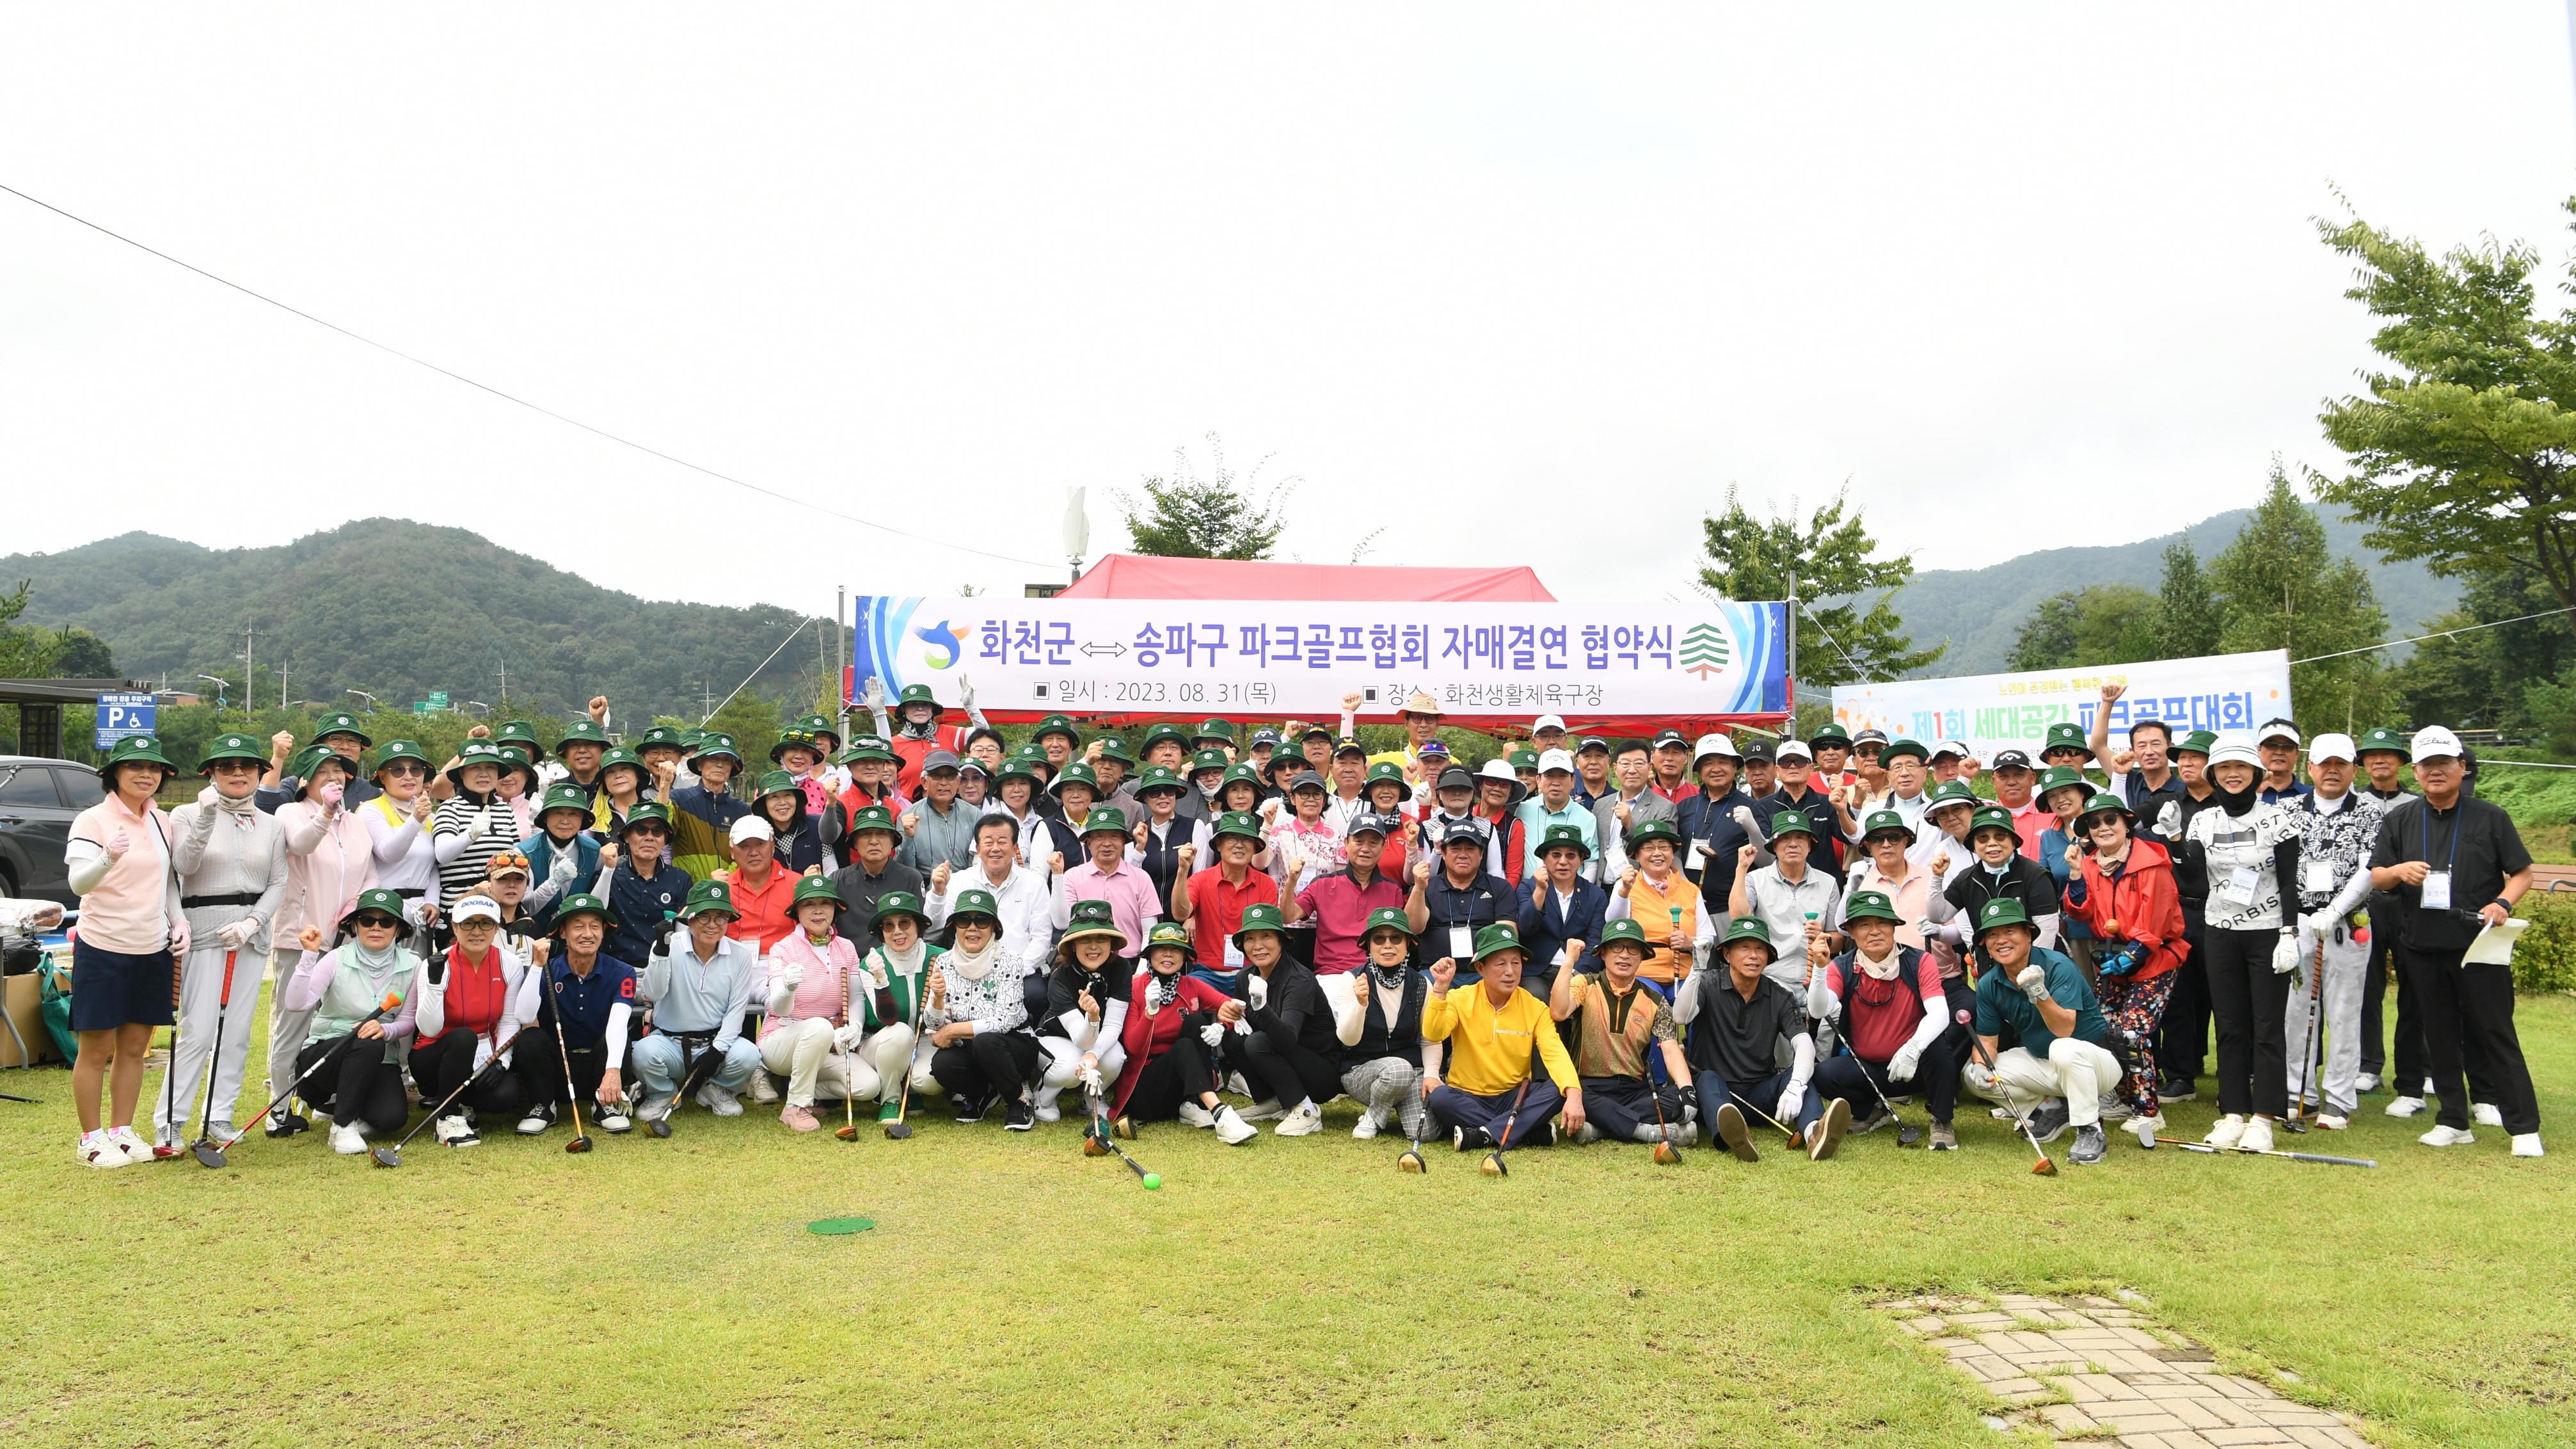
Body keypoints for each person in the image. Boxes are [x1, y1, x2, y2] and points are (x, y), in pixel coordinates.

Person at [2368, 726, 2541, 1155]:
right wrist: (2399, 872)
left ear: (2462, 768)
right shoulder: (2400, 819)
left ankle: (2523, 1128)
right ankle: (2453, 1120)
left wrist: (2503, 902)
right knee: (2440, 1035)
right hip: (2422, 945)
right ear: (2418, 771)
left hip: (2479, 945)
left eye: (2445, 763)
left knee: (2495, 1033)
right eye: (2427, 764)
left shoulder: (2490, 817)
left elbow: (2522, 873)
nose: (2436, 771)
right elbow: (2377, 875)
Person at [159, 732, 287, 1153]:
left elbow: (278, 881)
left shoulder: (271, 825)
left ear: (259, 772)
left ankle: (220, 1114)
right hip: (203, 931)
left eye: (246, 766)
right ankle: (171, 1121)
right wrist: (207, 817)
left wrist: (253, 922)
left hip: (249, 936)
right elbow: (184, 866)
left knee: (235, 1033)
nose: (237, 773)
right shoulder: (184, 814)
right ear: (211, 773)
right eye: (226, 766)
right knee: (197, 1031)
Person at [64, 736, 189, 1167]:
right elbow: (79, 884)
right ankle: (91, 1139)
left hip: (151, 948)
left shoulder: (162, 821)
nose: (146, 775)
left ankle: (121, 1131)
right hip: (103, 947)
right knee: (96, 1049)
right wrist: (106, 858)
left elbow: (168, 881)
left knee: (135, 1048)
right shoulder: (93, 820)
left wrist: (179, 921)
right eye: (135, 766)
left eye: (154, 769)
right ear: (113, 774)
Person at [2176, 732, 2303, 1155]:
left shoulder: (2280, 818)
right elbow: (2192, 880)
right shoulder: (2202, 820)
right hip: (2221, 930)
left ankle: (2264, 1117)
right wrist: (2175, 844)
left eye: (2241, 768)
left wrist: (2290, 932)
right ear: (2214, 775)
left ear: (2256, 773)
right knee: (2230, 1026)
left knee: (2267, 1027)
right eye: (2225, 768)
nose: (2233, 775)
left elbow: (2289, 880)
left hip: (2268, 931)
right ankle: (2232, 1114)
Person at [2058, 794, 2186, 1148]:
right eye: (2095, 824)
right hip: (2111, 959)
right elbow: (2080, 913)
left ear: (2127, 823)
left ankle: (2147, 1110)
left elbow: (2157, 921)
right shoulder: (2090, 864)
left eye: (2110, 820)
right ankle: (2121, 1099)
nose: (2103, 828)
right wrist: (2074, 874)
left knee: (2132, 1033)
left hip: (2155, 958)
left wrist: (2134, 954)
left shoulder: (2151, 863)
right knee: (2104, 1029)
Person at [265, 743, 378, 1140]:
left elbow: (369, 873)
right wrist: (327, 812)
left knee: (331, 1022)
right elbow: (300, 845)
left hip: (344, 937)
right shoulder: (289, 812)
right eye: (323, 771)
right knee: (292, 1021)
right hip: (302, 935)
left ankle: (321, 1097)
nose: (334, 777)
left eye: (340, 771)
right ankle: (278, 1106)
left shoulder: (356, 822)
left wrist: (358, 910)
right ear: (304, 780)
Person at [2277, 734, 2386, 1132]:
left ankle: (2339, 1099)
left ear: (2354, 769)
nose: (2332, 771)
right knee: (2295, 1012)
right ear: (2311, 768)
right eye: (2325, 764)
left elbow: (2370, 868)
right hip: (2299, 922)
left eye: (2341, 764)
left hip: (2347, 924)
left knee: (2342, 1013)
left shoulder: (2370, 812)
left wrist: (2336, 909)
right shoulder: (2287, 809)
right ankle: (2297, 1092)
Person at [1673, 918, 1845, 1162]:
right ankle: (1730, 1133)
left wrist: (1796, 1085)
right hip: (1712, 1093)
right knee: (1708, 1079)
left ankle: (1814, 1133)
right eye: (1744, 947)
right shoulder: (1707, 983)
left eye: (1760, 949)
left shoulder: (1779, 994)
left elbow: (1803, 1042)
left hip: (1758, 1092)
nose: (1753, 955)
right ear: (1727, 954)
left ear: (1768, 957)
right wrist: (1696, 971)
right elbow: (1681, 1015)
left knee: (1797, 1077)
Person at [1965, 898, 2122, 1165]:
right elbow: (1987, 1041)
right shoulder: (1990, 982)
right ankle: (2054, 1110)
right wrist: (1982, 1066)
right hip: (2045, 1063)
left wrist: (2038, 992)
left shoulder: (2057, 966)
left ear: (2028, 935)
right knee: (1972, 1073)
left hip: (2095, 1065)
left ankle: (2090, 1129)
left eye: (2010, 931)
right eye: (1992, 935)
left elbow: (2064, 1029)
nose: (2001, 940)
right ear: (1985, 945)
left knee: (2062, 1048)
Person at [1809, 890, 1960, 1149]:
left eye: (1882, 923)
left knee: (1939, 1048)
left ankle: (1942, 1119)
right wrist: (1821, 970)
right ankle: (1871, 1111)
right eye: (1865, 925)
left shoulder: (1920, 961)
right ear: (1852, 933)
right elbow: (1818, 1010)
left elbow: (1940, 1014)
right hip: (1868, 1068)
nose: (1875, 931)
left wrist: (1914, 1048)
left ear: (1894, 928)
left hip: (1915, 1064)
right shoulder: (1842, 966)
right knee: (1825, 1074)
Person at [282, 889, 427, 1155]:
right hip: (328, 1052)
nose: (376, 927)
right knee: (366, 1045)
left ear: (398, 929)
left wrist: (385, 1029)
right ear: (355, 925)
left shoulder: (414, 965)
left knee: (390, 1119)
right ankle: (342, 1124)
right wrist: (308, 957)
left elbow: (407, 1021)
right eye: (367, 920)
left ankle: (348, 1103)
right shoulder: (336, 958)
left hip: (381, 1055)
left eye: (386, 921)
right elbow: (295, 1003)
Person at [1420, 923, 1584, 1150]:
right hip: (1467, 1097)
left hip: (1514, 1097)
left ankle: (1484, 1134)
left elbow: (1555, 1053)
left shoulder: (1535, 1007)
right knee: (1440, 1097)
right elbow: (1434, 1033)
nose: (1510, 971)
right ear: (1480, 968)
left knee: (1559, 1089)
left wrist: (1575, 1094)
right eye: (1501, 964)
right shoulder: (1459, 998)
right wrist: (1440, 990)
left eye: (1516, 963)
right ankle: (1525, 1130)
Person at [408, 891, 536, 1147]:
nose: (477, 931)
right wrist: (435, 983)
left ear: (496, 927)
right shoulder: (435, 964)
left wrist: (502, 1061)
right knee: (463, 1038)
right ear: (455, 927)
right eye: (468, 923)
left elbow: (510, 1020)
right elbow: (429, 1028)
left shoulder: (509, 963)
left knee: (505, 1096)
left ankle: (464, 1105)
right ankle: (447, 1118)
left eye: (485, 923)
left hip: (484, 1054)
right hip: (433, 1056)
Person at [1110, 921, 1255, 1142]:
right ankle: (1221, 1113)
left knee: (1197, 1021)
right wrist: (1150, 1013)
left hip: (1183, 1085)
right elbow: (1133, 1047)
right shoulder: (1135, 987)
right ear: (1150, 954)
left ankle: (1193, 1106)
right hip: (1145, 1089)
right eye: (1161, 949)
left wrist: (1221, 1026)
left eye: (1176, 949)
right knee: (1184, 1046)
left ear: (1184, 956)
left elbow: (1230, 1007)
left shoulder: (1190, 985)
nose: (1168, 955)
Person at [1548, 919, 1688, 1146]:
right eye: (1616, 947)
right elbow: (1558, 1011)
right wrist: (1568, 962)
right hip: (1590, 1087)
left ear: (1642, 956)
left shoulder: (1655, 1000)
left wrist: (1687, 1090)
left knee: (1679, 1096)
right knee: (1572, 1095)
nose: (1625, 955)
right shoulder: (1584, 984)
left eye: (1633, 949)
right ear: (1602, 953)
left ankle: (1602, 1128)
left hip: (1635, 1089)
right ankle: (1644, 1132)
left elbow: (1671, 1049)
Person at [632, 880, 762, 1121]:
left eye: (720, 917)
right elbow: (654, 993)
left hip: (713, 1040)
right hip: (668, 1042)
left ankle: (715, 1088)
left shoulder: (740, 955)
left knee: (749, 1055)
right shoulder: (668, 946)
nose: (712, 925)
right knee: (642, 1053)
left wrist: (717, 1050)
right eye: (704, 917)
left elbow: (736, 1011)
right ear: (689, 919)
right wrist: (661, 952)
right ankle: (662, 1093)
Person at [1219, 902, 1351, 1135]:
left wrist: (1262, 1007)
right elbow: (1243, 1025)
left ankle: (1306, 1110)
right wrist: (1227, 1017)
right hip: (1284, 1061)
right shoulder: (1245, 977)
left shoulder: (1299, 980)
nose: (1257, 946)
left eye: (1266, 936)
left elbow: (1287, 1039)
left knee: (1258, 1042)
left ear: (1281, 940)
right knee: (1232, 1037)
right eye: (1250, 938)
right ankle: (1271, 1102)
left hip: (1320, 1073)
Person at [513, 890, 637, 1137]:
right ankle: (544, 1106)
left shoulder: (622, 972)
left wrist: (612, 1072)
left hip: (598, 1066)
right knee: (530, 1039)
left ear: (603, 932)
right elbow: (525, 1017)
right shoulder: (547, 970)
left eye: (594, 927)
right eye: (578, 926)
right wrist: (537, 966)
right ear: (563, 933)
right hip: (558, 1067)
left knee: (621, 1039)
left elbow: (618, 1022)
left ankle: (604, 1105)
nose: (587, 934)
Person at [922, 886, 1044, 1129]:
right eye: (964, 920)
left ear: (995, 928)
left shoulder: (1011, 961)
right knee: (942, 1066)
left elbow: (1004, 1020)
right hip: (970, 1045)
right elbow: (934, 1028)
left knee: (986, 1041)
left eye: (982, 920)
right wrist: (937, 1000)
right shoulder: (943, 962)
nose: (972, 928)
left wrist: (953, 1031)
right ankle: (982, 1094)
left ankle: (1019, 1100)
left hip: (1014, 1044)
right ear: (954, 927)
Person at [759, 877, 866, 1132]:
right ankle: (795, 1107)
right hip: (781, 1037)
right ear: (797, 911)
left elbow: (855, 997)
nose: (818, 910)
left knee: (867, 1085)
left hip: (828, 1043)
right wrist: (787, 989)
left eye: (825, 903)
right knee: (818, 1027)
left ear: (834, 909)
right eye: (809, 904)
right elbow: (779, 1007)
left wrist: (857, 1027)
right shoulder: (782, 948)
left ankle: (805, 1087)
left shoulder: (846, 948)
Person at [2151, 729, 2222, 1102]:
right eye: (2183, 757)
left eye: (2198, 757)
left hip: (2223, 911)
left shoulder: (2231, 805)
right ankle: (2180, 1075)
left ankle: (2237, 1073)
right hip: (2178, 912)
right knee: (2177, 996)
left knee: (2227, 997)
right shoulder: (2169, 804)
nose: (2188, 763)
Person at [1285, 810, 1406, 1019]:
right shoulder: (1324, 884)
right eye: (1359, 841)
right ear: (1346, 843)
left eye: (1374, 843)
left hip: (1377, 975)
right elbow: (1288, 916)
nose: (1365, 849)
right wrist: (1291, 882)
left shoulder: (1392, 890)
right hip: (1332, 976)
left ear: (1384, 847)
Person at [2352, 726, 2413, 1099]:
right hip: (2367, 907)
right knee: (2366, 988)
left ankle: (2419, 1068)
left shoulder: (2416, 802)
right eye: (2372, 756)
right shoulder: (2355, 802)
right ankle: (2368, 1064)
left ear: (2402, 762)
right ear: (2362, 764)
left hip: (2409, 906)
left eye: (2388, 755)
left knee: (2418, 988)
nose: (2379, 761)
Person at [1033, 899, 1134, 1123]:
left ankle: (1091, 1098)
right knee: (1068, 1068)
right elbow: (1081, 1040)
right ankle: (1043, 1098)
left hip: (1097, 1037)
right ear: (1073, 944)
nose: (1094, 946)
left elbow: (1115, 1024)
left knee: (1116, 1058)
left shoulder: (1121, 968)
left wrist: (1093, 1054)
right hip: (1055, 1036)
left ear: (1111, 943)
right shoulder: (1060, 975)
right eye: (1085, 939)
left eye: (1101, 938)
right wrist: (1093, 1018)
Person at [928, 814, 1058, 982]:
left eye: (1002, 842)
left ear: (1015, 848)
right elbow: (936, 928)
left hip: (1020, 971)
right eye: (988, 842)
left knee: (1036, 996)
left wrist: (1015, 970)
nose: (995, 848)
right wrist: (938, 893)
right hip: (968, 970)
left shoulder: (1035, 883)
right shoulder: (959, 881)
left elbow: (1042, 938)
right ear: (979, 849)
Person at [1336, 908, 1429, 1142]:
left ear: (1408, 943)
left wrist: (1431, 1075)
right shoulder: (1352, 979)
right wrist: (1361, 1005)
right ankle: (1374, 1116)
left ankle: (1382, 1108)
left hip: (1409, 1072)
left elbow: (1429, 1040)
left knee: (1424, 1133)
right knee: (1398, 1069)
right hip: (1362, 1070)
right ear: (1368, 945)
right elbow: (1347, 1039)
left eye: (1396, 938)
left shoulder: (1421, 984)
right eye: (1379, 939)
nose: (1388, 945)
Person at [1726, 811, 1840, 995]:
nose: (1793, 844)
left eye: (1800, 837)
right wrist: (1741, 870)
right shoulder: (1755, 879)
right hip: (1770, 978)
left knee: (1833, 1018)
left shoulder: (1828, 883)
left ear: (1810, 845)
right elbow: (1740, 920)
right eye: (1785, 838)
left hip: (1816, 976)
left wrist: (1823, 937)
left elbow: (1838, 942)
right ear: (1774, 846)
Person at [1170, 810, 1280, 996]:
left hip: (1252, 972)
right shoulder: (1200, 880)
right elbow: (1180, 914)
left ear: (1255, 848)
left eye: (1246, 839)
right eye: (1232, 838)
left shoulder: (1266, 884)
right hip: (1207, 973)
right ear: (1219, 844)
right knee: (1189, 995)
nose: (1239, 845)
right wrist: (1182, 870)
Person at [850, 890, 937, 1121]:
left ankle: (912, 1087)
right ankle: (891, 1099)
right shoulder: (870, 963)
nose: (897, 931)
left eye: (905, 923)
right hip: (881, 1041)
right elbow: (885, 1019)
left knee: (928, 1081)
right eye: (888, 926)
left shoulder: (940, 958)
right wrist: (881, 980)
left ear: (918, 926)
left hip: (926, 1040)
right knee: (899, 1032)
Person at [1405, 819, 1515, 976]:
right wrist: (1419, 888)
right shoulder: (1427, 887)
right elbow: (1413, 928)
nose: (1463, 855)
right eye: (1455, 849)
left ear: (1482, 854)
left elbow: (1507, 934)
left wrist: (1485, 955)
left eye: (1470, 849)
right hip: (1435, 971)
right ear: (1443, 853)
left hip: (1484, 971)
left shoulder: (1500, 888)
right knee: (1420, 989)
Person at [590, 801, 694, 966]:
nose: (650, 837)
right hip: (614, 969)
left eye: (657, 831)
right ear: (626, 836)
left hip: (665, 968)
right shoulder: (609, 875)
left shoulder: (680, 879)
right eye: (641, 830)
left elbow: (685, 935)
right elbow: (593, 914)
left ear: (665, 839)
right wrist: (608, 870)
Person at [360, 741, 442, 949]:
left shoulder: (430, 817)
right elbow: (389, 853)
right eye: (397, 770)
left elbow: (433, 865)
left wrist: (432, 900)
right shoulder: (372, 810)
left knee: (416, 978)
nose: (408, 776)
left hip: (420, 912)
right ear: (382, 777)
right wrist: (415, 821)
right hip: (383, 911)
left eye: (415, 769)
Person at [1515, 823, 1609, 998]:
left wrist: (1577, 973)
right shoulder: (1528, 887)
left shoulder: (1596, 895)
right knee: (1535, 997)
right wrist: (1540, 892)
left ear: (1581, 859)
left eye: (1571, 855)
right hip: (1537, 971)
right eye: (1556, 855)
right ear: (1544, 858)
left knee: (1582, 1001)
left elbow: (1595, 942)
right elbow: (1526, 929)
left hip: (1577, 970)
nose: (1563, 862)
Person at [865, 676, 994, 799]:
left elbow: (984, 735)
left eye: (925, 704)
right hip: (909, 813)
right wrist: (879, 713)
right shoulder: (895, 743)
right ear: (903, 711)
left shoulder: (949, 733)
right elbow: (882, 759)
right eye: (913, 705)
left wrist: (971, 707)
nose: (920, 708)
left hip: (950, 809)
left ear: (932, 710)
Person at [433, 741, 523, 908]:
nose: (484, 774)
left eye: (490, 767)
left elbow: (515, 857)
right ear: (462, 773)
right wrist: (470, 835)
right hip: (459, 905)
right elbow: (442, 855)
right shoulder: (450, 808)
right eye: (475, 768)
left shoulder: (505, 811)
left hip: (498, 905)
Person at [2034, 765, 2102, 977]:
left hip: (2111, 926)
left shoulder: (2102, 826)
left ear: (2081, 793)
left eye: (2066, 791)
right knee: (2084, 996)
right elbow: (2048, 888)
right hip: (2074, 930)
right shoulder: (2048, 837)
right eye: (2052, 796)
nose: (2060, 799)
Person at [2088, 683, 2184, 826]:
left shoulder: (2184, 790)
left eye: (2156, 744)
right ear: (2132, 752)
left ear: (2171, 748)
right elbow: (2097, 745)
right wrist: (2108, 703)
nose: (2149, 751)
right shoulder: (2126, 779)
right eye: (2142, 746)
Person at [1839, 810, 1931, 952]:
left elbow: (1955, 926)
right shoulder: (1861, 883)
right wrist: (1851, 888)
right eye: (1878, 839)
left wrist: (1942, 932)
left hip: (1937, 970)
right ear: (1868, 847)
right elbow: (1843, 928)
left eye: (1893, 838)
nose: (1886, 844)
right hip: (1882, 972)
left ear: (1905, 841)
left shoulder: (1930, 876)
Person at [518, 783, 605, 931]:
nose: (565, 821)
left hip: (580, 936)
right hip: (536, 936)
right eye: (558, 813)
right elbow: (525, 908)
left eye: (573, 814)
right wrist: (553, 884)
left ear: (583, 819)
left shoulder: (594, 851)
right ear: (545, 817)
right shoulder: (526, 853)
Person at [667, 733, 752, 881]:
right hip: (689, 891)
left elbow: (747, 850)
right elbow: (662, 829)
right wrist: (663, 786)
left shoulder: (742, 810)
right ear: (700, 764)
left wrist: (728, 877)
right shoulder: (680, 799)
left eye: (726, 760)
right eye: (713, 759)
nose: (720, 765)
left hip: (730, 890)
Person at [257, 712, 380, 813]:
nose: (345, 746)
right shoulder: (295, 785)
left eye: (352, 741)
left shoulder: (372, 790)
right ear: (318, 746)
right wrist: (278, 758)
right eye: (336, 739)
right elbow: (265, 808)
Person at [1756, 737, 1846, 876]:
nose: (1793, 766)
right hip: (1778, 885)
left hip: (1824, 884)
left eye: (1800, 761)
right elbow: (1763, 851)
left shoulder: (1827, 803)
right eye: (1785, 762)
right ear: (1777, 770)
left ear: (1811, 769)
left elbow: (1849, 838)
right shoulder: (1763, 806)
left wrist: (1843, 810)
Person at [1591, 741, 1676, 881]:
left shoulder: (1665, 808)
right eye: (1625, 764)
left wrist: (1631, 825)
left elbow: (1664, 851)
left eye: (1638, 763)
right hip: (1602, 888)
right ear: (1615, 767)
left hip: (1639, 889)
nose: (1632, 770)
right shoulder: (1601, 805)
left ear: (1649, 767)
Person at [1126, 765, 1209, 910]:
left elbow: (1200, 878)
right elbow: (1130, 883)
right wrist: (1139, 848)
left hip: (1185, 919)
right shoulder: (1137, 834)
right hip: (1146, 920)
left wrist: (1193, 915)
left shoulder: (1195, 826)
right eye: (1154, 792)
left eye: (1169, 791)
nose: (1163, 796)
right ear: (1145, 798)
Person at [717, 815, 801, 956]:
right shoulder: (723, 887)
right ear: (732, 852)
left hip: (786, 965)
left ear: (773, 847)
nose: (754, 852)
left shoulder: (797, 884)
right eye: (744, 846)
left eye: (760, 844)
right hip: (732, 965)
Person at [1515, 749, 1599, 881]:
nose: (1556, 782)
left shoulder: (1588, 818)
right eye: (1549, 776)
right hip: (1529, 893)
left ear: (1573, 781)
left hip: (1570, 895)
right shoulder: (1524, 810)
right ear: (1539, 780)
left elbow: (1591, 864)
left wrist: (1580, 896)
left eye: (1562, 776)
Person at [899, 751, 982, 874]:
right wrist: (908, 838)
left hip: (965, 886)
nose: (943, 782)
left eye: (950, 777)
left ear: (958, 782)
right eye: (937, 776)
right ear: (924, 782)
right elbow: (904, 869)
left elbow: (977, 861)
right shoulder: (909, 816)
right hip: (925, 886)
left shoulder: (974, 815)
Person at [751, 769, 836, 876]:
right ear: (764, 804)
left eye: (788, 795)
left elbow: (832, 871)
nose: (782, 803)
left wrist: (818, 882)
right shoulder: (758, 835)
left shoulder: (817, 825)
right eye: (774, 797)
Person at [588, 746, 653, 838]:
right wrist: (600, 852)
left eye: (625, 769)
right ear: (604, 782)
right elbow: (585, 849)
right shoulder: (595, 815)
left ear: (638, 776)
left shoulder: (652, 809)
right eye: (610, 772)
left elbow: (665, 850)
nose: (618, 776)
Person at [2254, 719, 2310, 803]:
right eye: (2271, 745)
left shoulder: (2312, 796)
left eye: (2287, 747)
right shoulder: (2244, 795)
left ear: (2297, 754)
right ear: (2259, 750)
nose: (2279, 752)